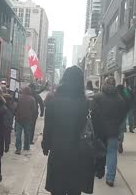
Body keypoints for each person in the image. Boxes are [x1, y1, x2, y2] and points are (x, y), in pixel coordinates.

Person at [42, 66, 95, 195]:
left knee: (57, 189)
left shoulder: (53, 103)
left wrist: (46, 145)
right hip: (78, 154)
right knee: (74, 190)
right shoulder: (86, 104)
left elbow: (48, 128)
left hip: (58, 152)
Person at [92, 76, 128, 187]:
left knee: (97, 150)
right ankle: (110, 178)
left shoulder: (97, 97)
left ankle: (98, 170)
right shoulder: (120, 99)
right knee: (112, 153)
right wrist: (116, 124)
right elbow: (123, 116)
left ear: (104, 84)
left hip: (99, 130)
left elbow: (92, 112)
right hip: (113, 130)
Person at [14, 86, 36, 155]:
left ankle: (18, 149)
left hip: (19, 119)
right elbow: (34, 109)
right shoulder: (32, 99)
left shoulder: (19, 97)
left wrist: (16, 114)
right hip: (28, 119)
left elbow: (15, 107)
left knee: (18, 134)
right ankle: (26, 146)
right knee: (27, 134)